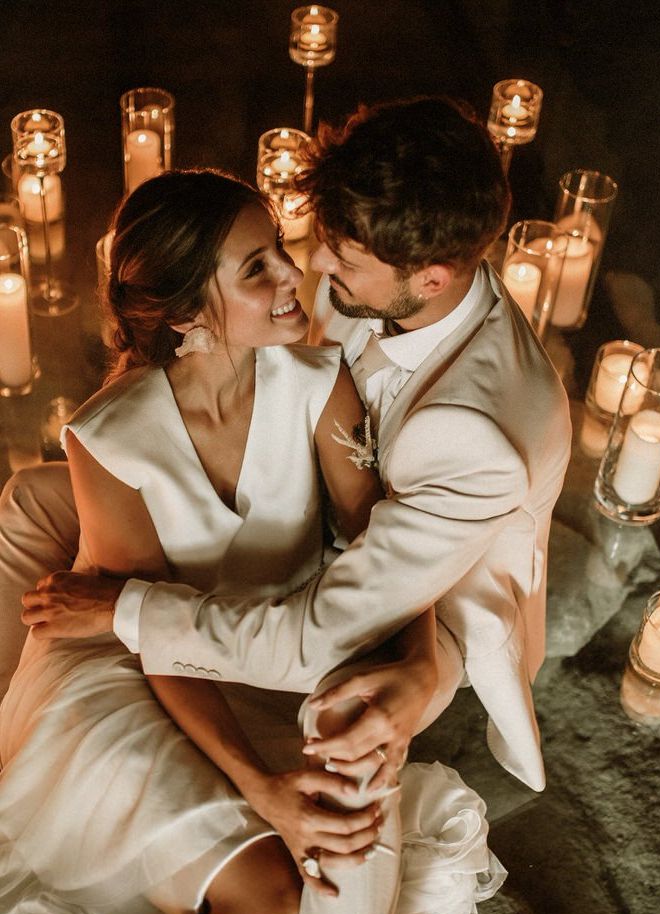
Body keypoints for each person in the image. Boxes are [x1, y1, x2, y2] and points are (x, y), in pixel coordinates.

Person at [20, 97, 571, 794]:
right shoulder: (384, 276)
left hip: (428, 603)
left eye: (341, 256)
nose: (312, 264)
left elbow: (322, 632)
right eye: (318, 239)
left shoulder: (477, 436)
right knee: (30, 497)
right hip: (335, 516)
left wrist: (119, 607)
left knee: (344, 758)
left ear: (431, 277)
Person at [0, 169, 429, 914]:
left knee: (320, 898)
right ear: (188, 311)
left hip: (278, 656)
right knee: (270, 902)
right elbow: (149, 633)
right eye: (257, 267)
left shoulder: (319, 381)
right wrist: (259, 787)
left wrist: (421, 669)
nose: (293, 273)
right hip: (135, 673)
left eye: (279, 248)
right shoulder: (107, 438)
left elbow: (384, 549)